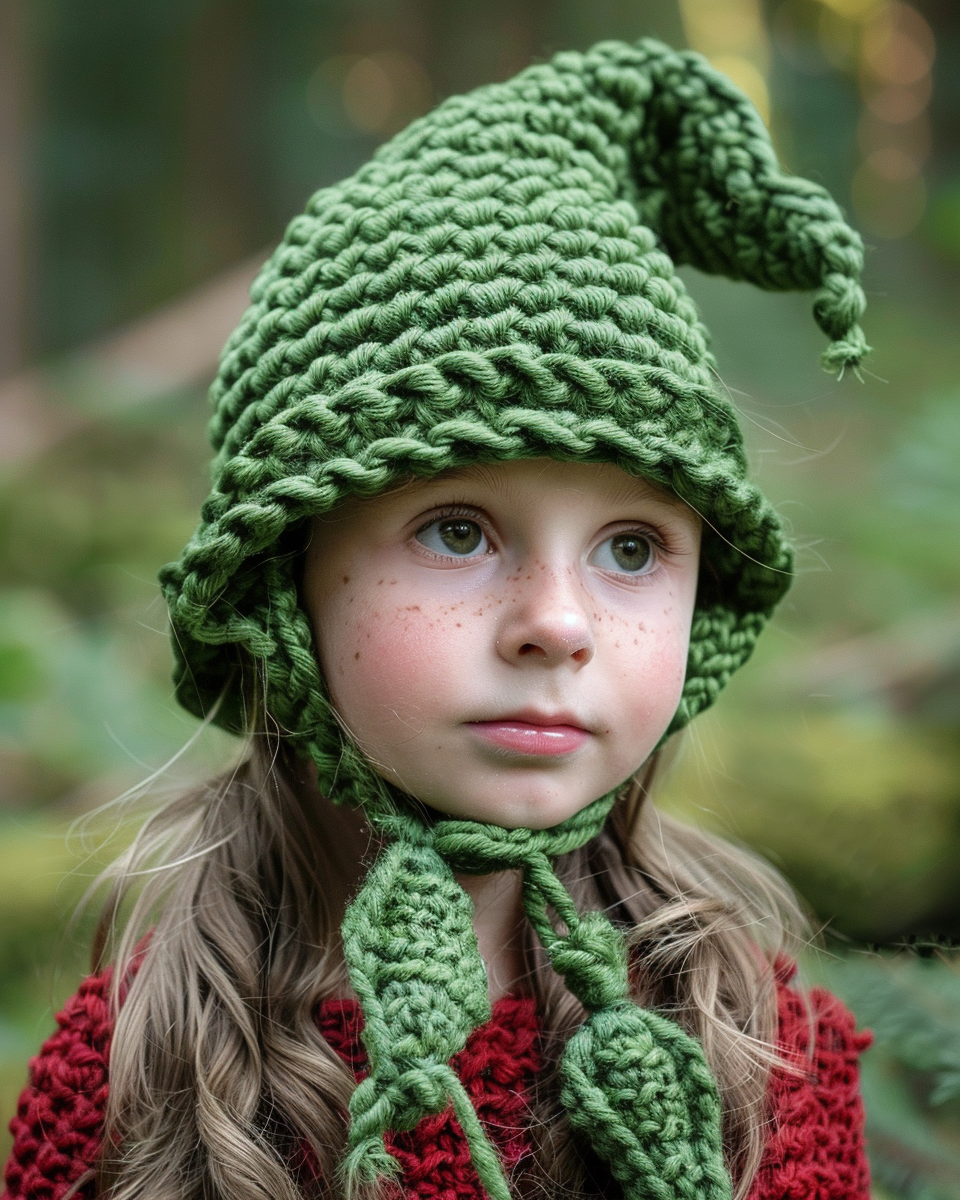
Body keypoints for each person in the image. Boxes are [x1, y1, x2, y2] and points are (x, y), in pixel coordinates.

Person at [2, 37, 873, 1200]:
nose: (557, 624)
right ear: (284, 579)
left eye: (631, 549)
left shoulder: (761, 1055)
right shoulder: (130, 1076)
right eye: (458, 530)